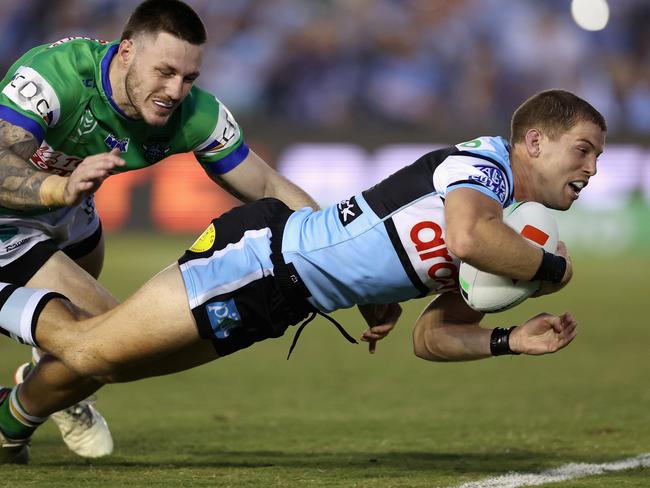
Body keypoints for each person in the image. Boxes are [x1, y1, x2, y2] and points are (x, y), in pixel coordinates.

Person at [0, 89, 604, 463]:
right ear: (533, 142)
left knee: (115, 364)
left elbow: (431, 338)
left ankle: (9, 422)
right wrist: (553, 270)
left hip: (283, 298)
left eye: (599, 155)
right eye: (583, 149)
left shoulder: (509, 222)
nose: (592, 168)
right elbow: (469, 238)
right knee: (95, 351)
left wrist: (508, 339)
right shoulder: (483, 169)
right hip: (261, 258)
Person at [0, 0, 317, 462]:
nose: (174, 90)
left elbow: (267, 183)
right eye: (164, 71)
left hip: (73, 213)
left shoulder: (195, 114)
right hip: (11, 216)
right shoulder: (56, 75)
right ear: (126, 51)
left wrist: (342, 243)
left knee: (111, 343)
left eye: (189, 78)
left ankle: (37, 398)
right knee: (116, 342)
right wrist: (58, 188)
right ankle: (14, 420)